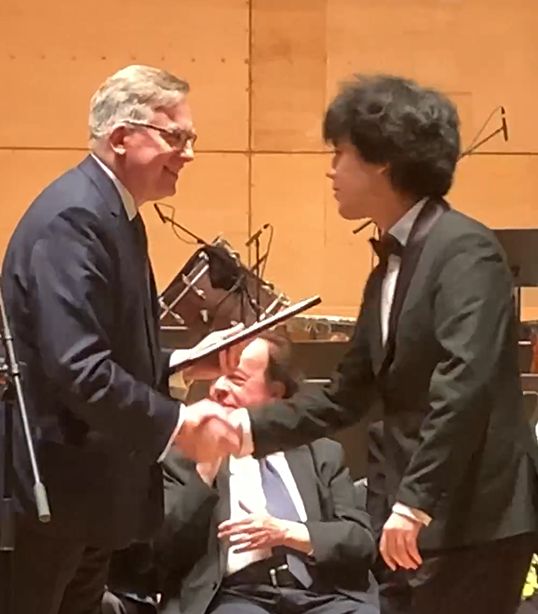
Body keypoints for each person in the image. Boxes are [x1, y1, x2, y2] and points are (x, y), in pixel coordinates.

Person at [192, 74, 538, 614]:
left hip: (470, 525)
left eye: (341, 154)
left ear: (383, 160)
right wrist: (243, 429)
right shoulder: (389, 268)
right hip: (409, 525)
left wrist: (415, 503)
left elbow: (464, 385)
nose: (331, 170)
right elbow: (346, 395)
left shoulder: (465, 250)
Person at [0, 64, 241, 614]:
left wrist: (180, 364)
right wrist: (178, 424)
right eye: (175, 136)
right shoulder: (75, 217)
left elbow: (106, 348)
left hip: (88, 492)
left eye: (191, 139)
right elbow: (77, 367)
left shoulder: (112, 211)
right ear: (121, 137)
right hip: (50, 490)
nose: (188, 153)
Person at [149, 331, 379, 614]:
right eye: (215, 377)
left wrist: (288, 532)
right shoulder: (182, 456)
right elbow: (159, 556)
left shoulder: (322, 453)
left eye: (235, 379)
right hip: (235, 597)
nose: (218, 387)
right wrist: (205, 472)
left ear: (275, 394)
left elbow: (360, 542)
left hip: (321, 595)